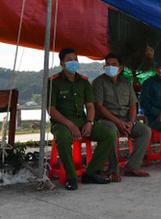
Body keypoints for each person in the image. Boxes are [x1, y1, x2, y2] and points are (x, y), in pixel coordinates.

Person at [48, 48, 116, 190]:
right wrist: (69, 124)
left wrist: (90, 123)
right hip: (62, 122)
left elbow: (90, 106)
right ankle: (71, 177)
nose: (73, 62)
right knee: (62, 138)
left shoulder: (84, 82)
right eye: (69, 60)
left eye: (75, 59)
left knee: (108, 135)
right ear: (62, 63)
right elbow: (51, 110)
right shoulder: (53, 82)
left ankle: (91, 173)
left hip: (83, 120)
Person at [93, 53, 152, 181]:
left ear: (120, 68)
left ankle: (132, 166)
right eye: (107, 64)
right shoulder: (98, 82)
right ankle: (113, 169)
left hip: (125, 119)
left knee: (145, 131)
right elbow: (99, 107)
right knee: (111, 131)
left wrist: (131, 122)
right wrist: (118, 123)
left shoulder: (126, 83)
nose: (110, 67)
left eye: (113, 64)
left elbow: (132, 105)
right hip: (107, 120)